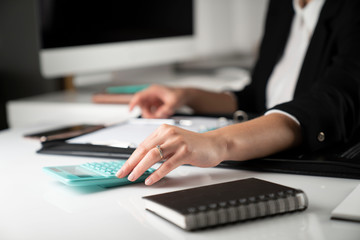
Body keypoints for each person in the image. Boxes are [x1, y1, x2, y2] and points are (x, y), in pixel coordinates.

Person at [116, 0, 360, 185]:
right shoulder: (283, 7)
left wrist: (217, 142)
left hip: (325, 176)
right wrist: (188, 96)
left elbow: (330, 105)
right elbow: (258, 96)